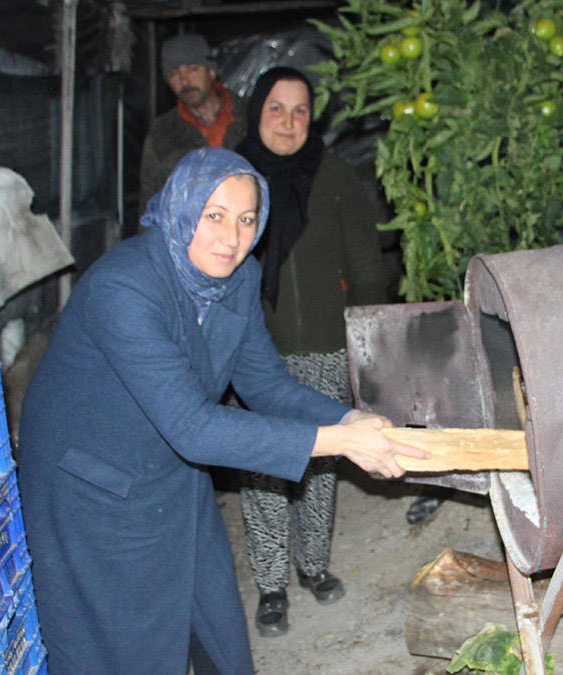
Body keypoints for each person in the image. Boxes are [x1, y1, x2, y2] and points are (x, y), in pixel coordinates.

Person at [15, 147, 427, 673]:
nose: (231, 238)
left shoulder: (238, 280)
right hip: (92, 488)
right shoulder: (124, 288)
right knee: (125, 646)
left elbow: (265, 383)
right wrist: (341, 445)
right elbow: (191, 426)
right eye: (214, 215)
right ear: (182, 209)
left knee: (218, 631)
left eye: (247, 219)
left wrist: (346, 419)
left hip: (168, 470)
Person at [232, 66, 387, 637]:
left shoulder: (336, 175)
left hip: (325, 346)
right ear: (257, 112)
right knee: (263, 471)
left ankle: (313, 566)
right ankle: (271, 585)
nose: (289, 122)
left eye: (301, 111)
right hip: (255, 351)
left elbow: (367, 266)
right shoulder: (232, 179)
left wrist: (368, 348)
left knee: (322, 465)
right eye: (277, 108)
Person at [138, 33, 248, 209]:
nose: (184, 81)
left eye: (192, 69)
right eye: (174, 73)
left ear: (211, 71)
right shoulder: (162, 134)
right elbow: (150, 203)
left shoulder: (252, 116)